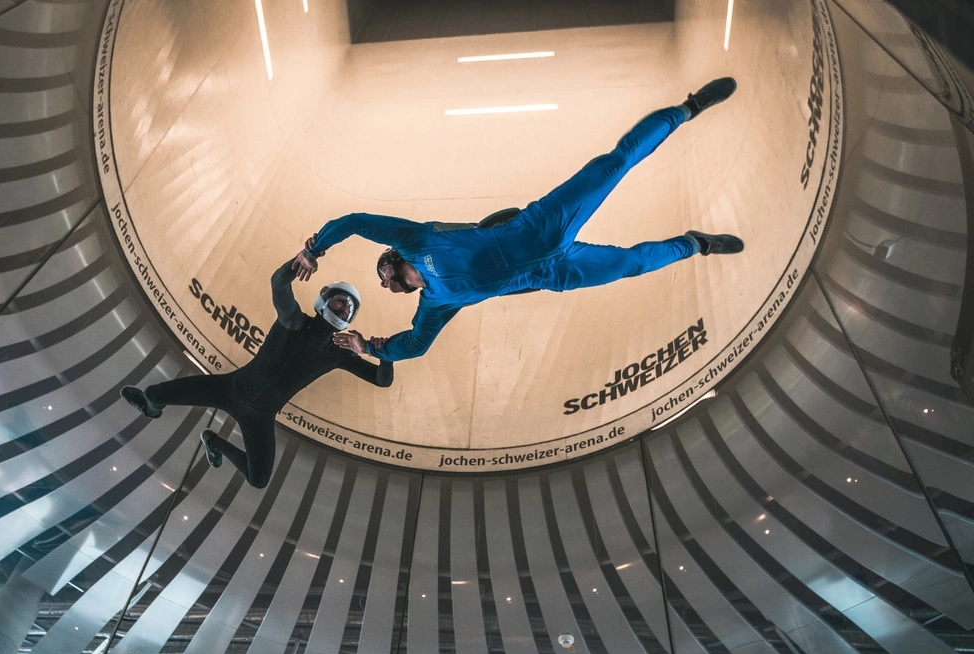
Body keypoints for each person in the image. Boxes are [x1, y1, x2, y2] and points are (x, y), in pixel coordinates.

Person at [293, 78, 744, 361]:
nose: (385, 288)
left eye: (383, 278)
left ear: (390, 263)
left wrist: (314, 250)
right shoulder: (435, 305)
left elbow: (354, 220)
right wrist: (369, 347)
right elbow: (414, 345)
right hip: (555, 271)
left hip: (540, 226)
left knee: (614, 164)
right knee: (634, 264)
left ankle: (689, 107)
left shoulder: (417, 240)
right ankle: (698, 244)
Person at [121, 259, 393, 488]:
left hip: (260, 415)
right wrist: (302, 258)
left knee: (258, 479)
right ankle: (151, 409)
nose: (346, 306)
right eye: (341, 300)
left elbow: (382, 380)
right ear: (324, 300)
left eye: (350, 308)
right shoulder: (294, 321)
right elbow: (279, 283)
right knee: (152, 394)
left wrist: (385, 355)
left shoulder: (339, 352)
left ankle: (214, 443)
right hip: (229, 388)